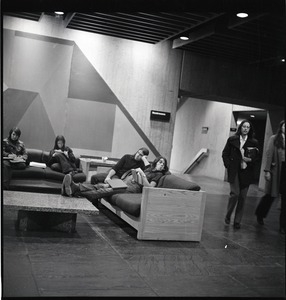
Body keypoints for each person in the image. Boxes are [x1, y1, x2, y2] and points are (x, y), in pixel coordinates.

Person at [61, 156, 168, 201]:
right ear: (156, 162)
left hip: (133, 189)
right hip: (126, 182)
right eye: (160, 162)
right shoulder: (150, 169)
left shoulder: (159, 175)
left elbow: (150, 187)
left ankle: (75, 192)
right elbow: (145, 159)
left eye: (163, 164)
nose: (162, 165)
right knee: (101, 185)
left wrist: (143, 176)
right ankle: (76, 187)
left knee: (106, 190)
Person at [222, 119, 260, 229]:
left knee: (243, 197)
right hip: (234, 170)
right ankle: (228, 215)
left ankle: (237, 221)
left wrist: (250, 160)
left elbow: (258, 157)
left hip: (246, 172)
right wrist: (228, 165)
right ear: (240, 128)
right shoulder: (232, 139)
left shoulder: (254, 142)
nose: (245, 129)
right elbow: (225, 154)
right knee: (235, 194)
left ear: (250, 129)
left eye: (248, 127)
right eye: (244, 127)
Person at [255, 120, 285, 234]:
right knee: (270, 195)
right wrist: (267, 170)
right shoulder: (274, 138)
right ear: (281, 127)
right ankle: (260, 214)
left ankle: (283, 226)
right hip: (276, 171)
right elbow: (269, 155)